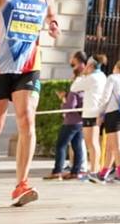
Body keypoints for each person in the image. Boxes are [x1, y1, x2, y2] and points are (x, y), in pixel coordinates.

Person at [0, 0, 61, 208]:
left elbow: (51, 15)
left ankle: (22, 184)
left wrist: (54, 24)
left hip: (28, 67)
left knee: (27, 117)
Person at [46, 51, 87, 181]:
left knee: (61, 145)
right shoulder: (87, 81)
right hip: (81, 119)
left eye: (73, 59)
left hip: (71, 120)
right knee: (77, 145)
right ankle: (75, 172)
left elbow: (71, 105)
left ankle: (57, 171)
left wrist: (64, 101)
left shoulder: (77, 83)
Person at [72, 54, 107, 181]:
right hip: (96, 112)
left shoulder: (92, 77)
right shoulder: (102, 76)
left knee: (91, 143)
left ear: (91, 66)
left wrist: (82, 74)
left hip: (90, 112)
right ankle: (94, 169)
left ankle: (93, 171)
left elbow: (74, 88)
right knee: (94, 143)